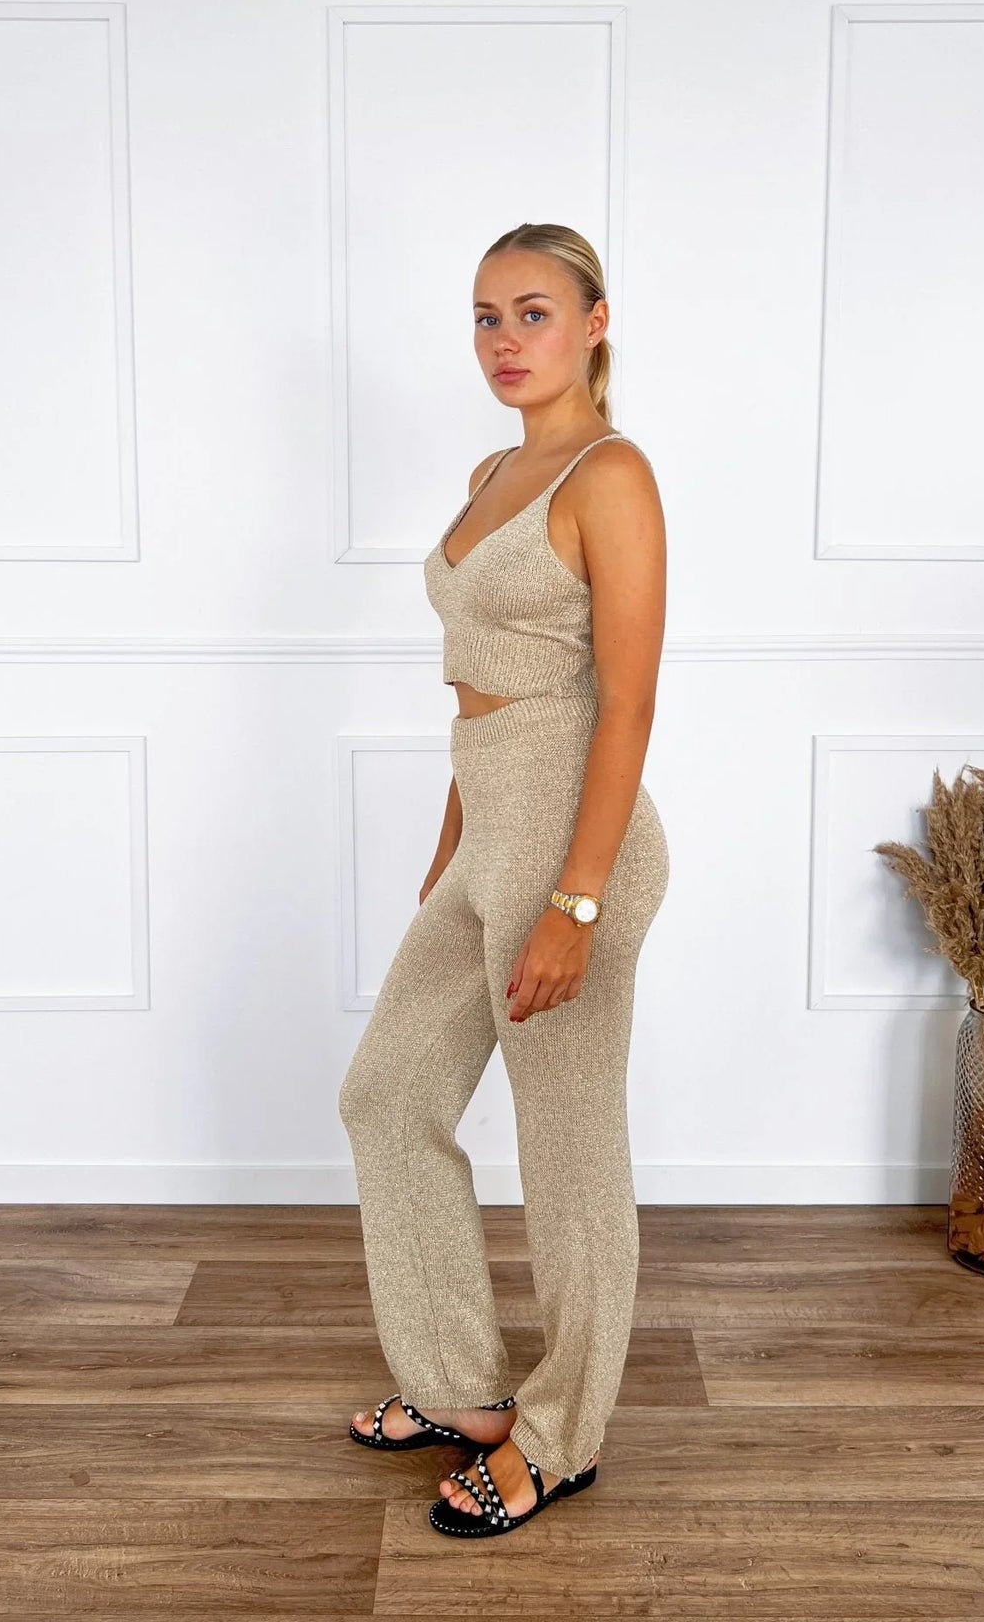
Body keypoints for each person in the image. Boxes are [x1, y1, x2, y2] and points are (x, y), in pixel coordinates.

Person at [338, 220, 670, 1540]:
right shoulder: (491, 471)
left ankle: (561, 1436)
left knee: (567, 1148)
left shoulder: (610, 475)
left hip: (574, 836)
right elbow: (479, 691)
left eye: (533, 312)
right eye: (485, 316)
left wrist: (575, 901)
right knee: (386, 1095)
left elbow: (625, 703)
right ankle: (461, 1388)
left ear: (595, 323)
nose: (504, 341)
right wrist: (452, 848)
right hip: (489, 822)